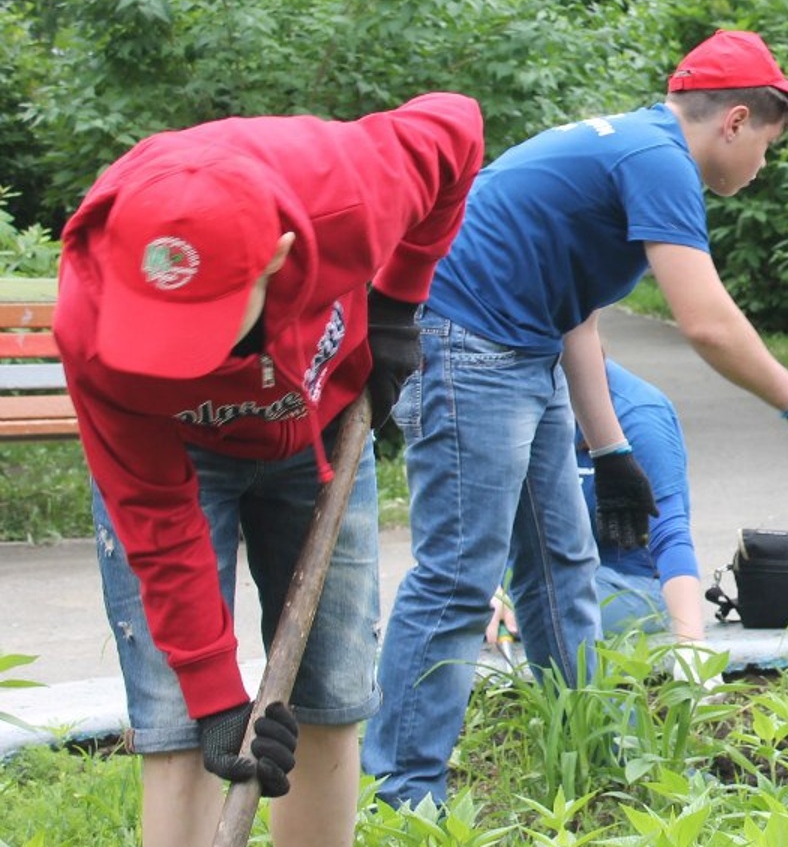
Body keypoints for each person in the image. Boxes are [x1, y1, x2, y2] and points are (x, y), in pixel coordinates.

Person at [365, 29, 788, 809]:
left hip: (516, 347)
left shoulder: (631, 147)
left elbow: (577, 315)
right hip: (464, 345)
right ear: (735, 121)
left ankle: (587, 755)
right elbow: (704, 320)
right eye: (768, 145)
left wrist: (611, 452)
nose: (763, 166)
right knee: (461, 575)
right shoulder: (659, 161)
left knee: (560, 561)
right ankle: (404, 795)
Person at [53, 94, 486, 847]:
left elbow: (458, 126)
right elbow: (154, 519)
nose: (181, 361)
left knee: (328, 695)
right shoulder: (92, 325)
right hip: (177, 455)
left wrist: (397, 303)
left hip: (316, 435)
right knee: (181, 719)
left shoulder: (350, 191)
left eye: (204, 333)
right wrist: (220, 698)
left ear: (280, 255)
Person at [487, 359, 709, 647]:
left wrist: (691, 645)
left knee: (543, 604)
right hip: (539, 574)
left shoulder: (639, 413)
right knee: (433, 600)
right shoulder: (513, 394)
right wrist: (493, 586)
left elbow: (669, 534)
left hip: (627, 583)